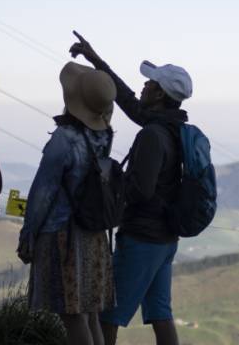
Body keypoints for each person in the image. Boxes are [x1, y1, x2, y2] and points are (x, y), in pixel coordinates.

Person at [70, 32, 193, 345]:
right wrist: (96, 60)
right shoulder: (171, 127)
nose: (144, 86)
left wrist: (110, 183)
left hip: (142, 238)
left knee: (107, 315)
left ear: (160, 94)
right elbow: (126, 99)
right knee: (160, 313)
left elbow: (142, 190)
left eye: (150, 84)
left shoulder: (153, 135)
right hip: (164, 238)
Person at [17, 62, 118, 345]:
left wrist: (28, 235)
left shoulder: (65, 139)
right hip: (94, 234)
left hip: (64, 237)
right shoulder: (104, 134)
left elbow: (43, 193)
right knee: (90, 314)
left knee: (73, 318)